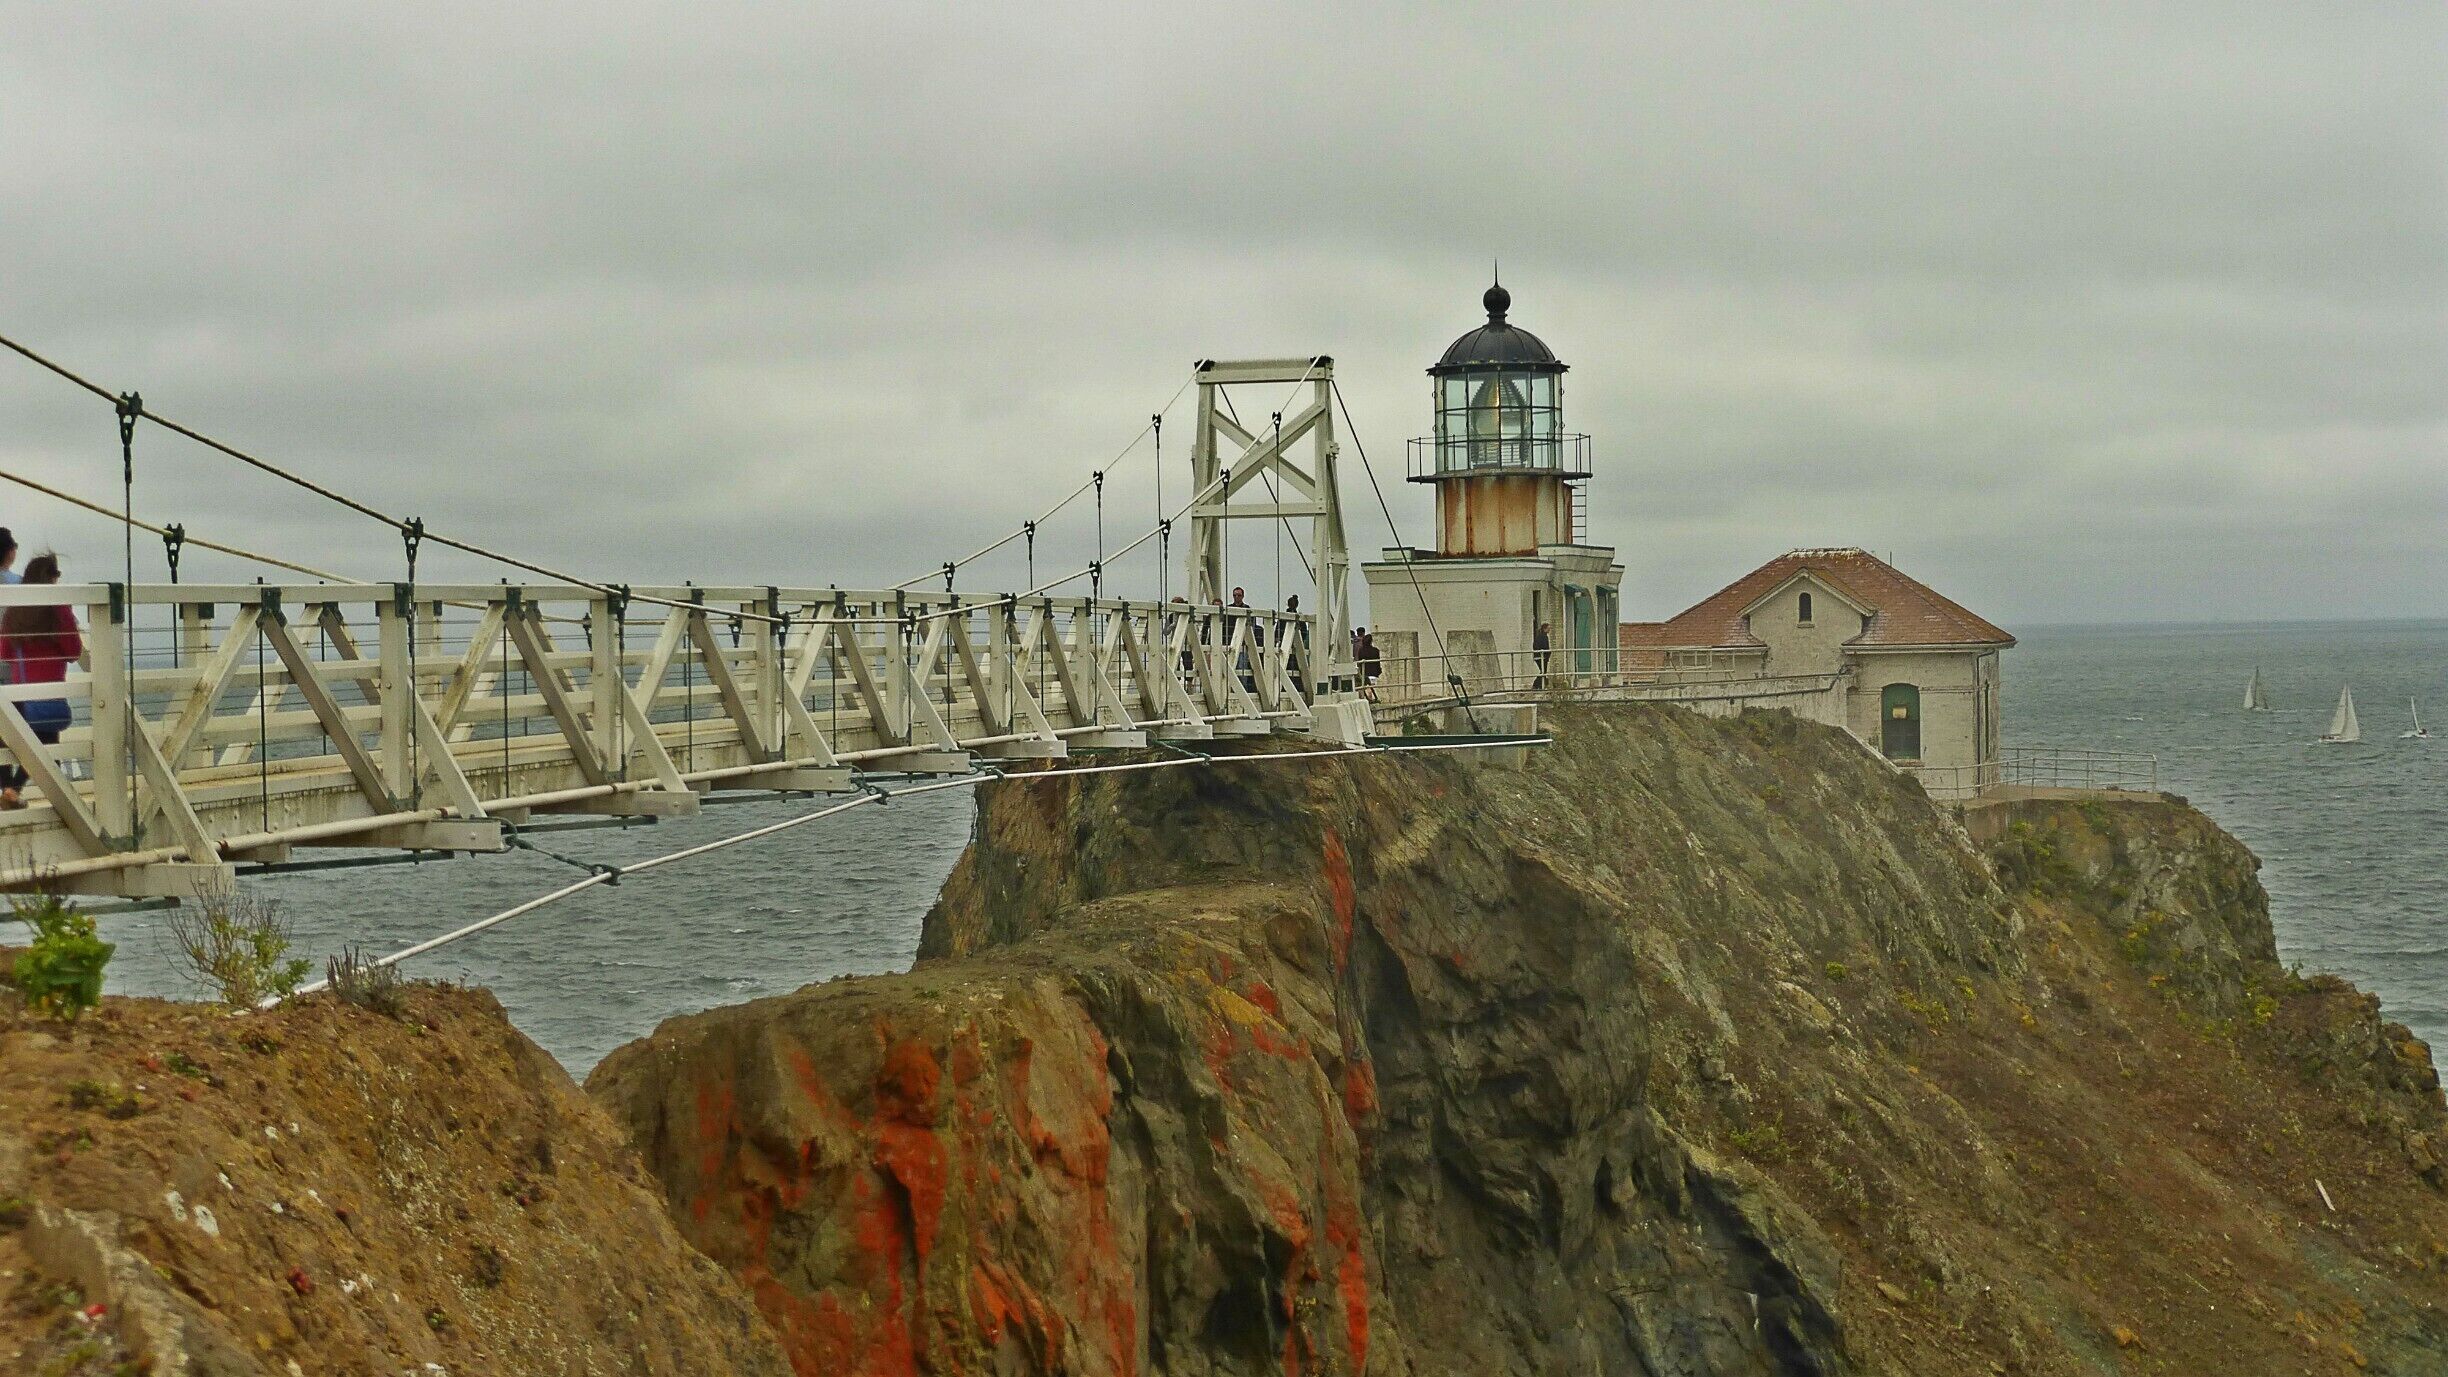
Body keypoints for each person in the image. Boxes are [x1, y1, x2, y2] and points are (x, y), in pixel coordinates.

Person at [1, 554, 79, 808]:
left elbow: (4, 652)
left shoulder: (14, 611)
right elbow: (74, 651)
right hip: (47, 696)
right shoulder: (58, 609)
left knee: (12, 744)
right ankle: (13, 791)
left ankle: (9, 790)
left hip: (19, 693)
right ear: (52, 578)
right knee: (48, 750)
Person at [1532, 621, 1553, 690]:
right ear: (1545, 629)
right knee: (1543, 671)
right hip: (1542, 657)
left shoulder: (1539, 636)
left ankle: (1540, 685)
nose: (1549, 630)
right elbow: (1545, 646)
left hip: (1539, 656)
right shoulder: (1543, 637)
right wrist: (1547, 653)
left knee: (1543, 671)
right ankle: (1536, 685)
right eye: (1548, 629)